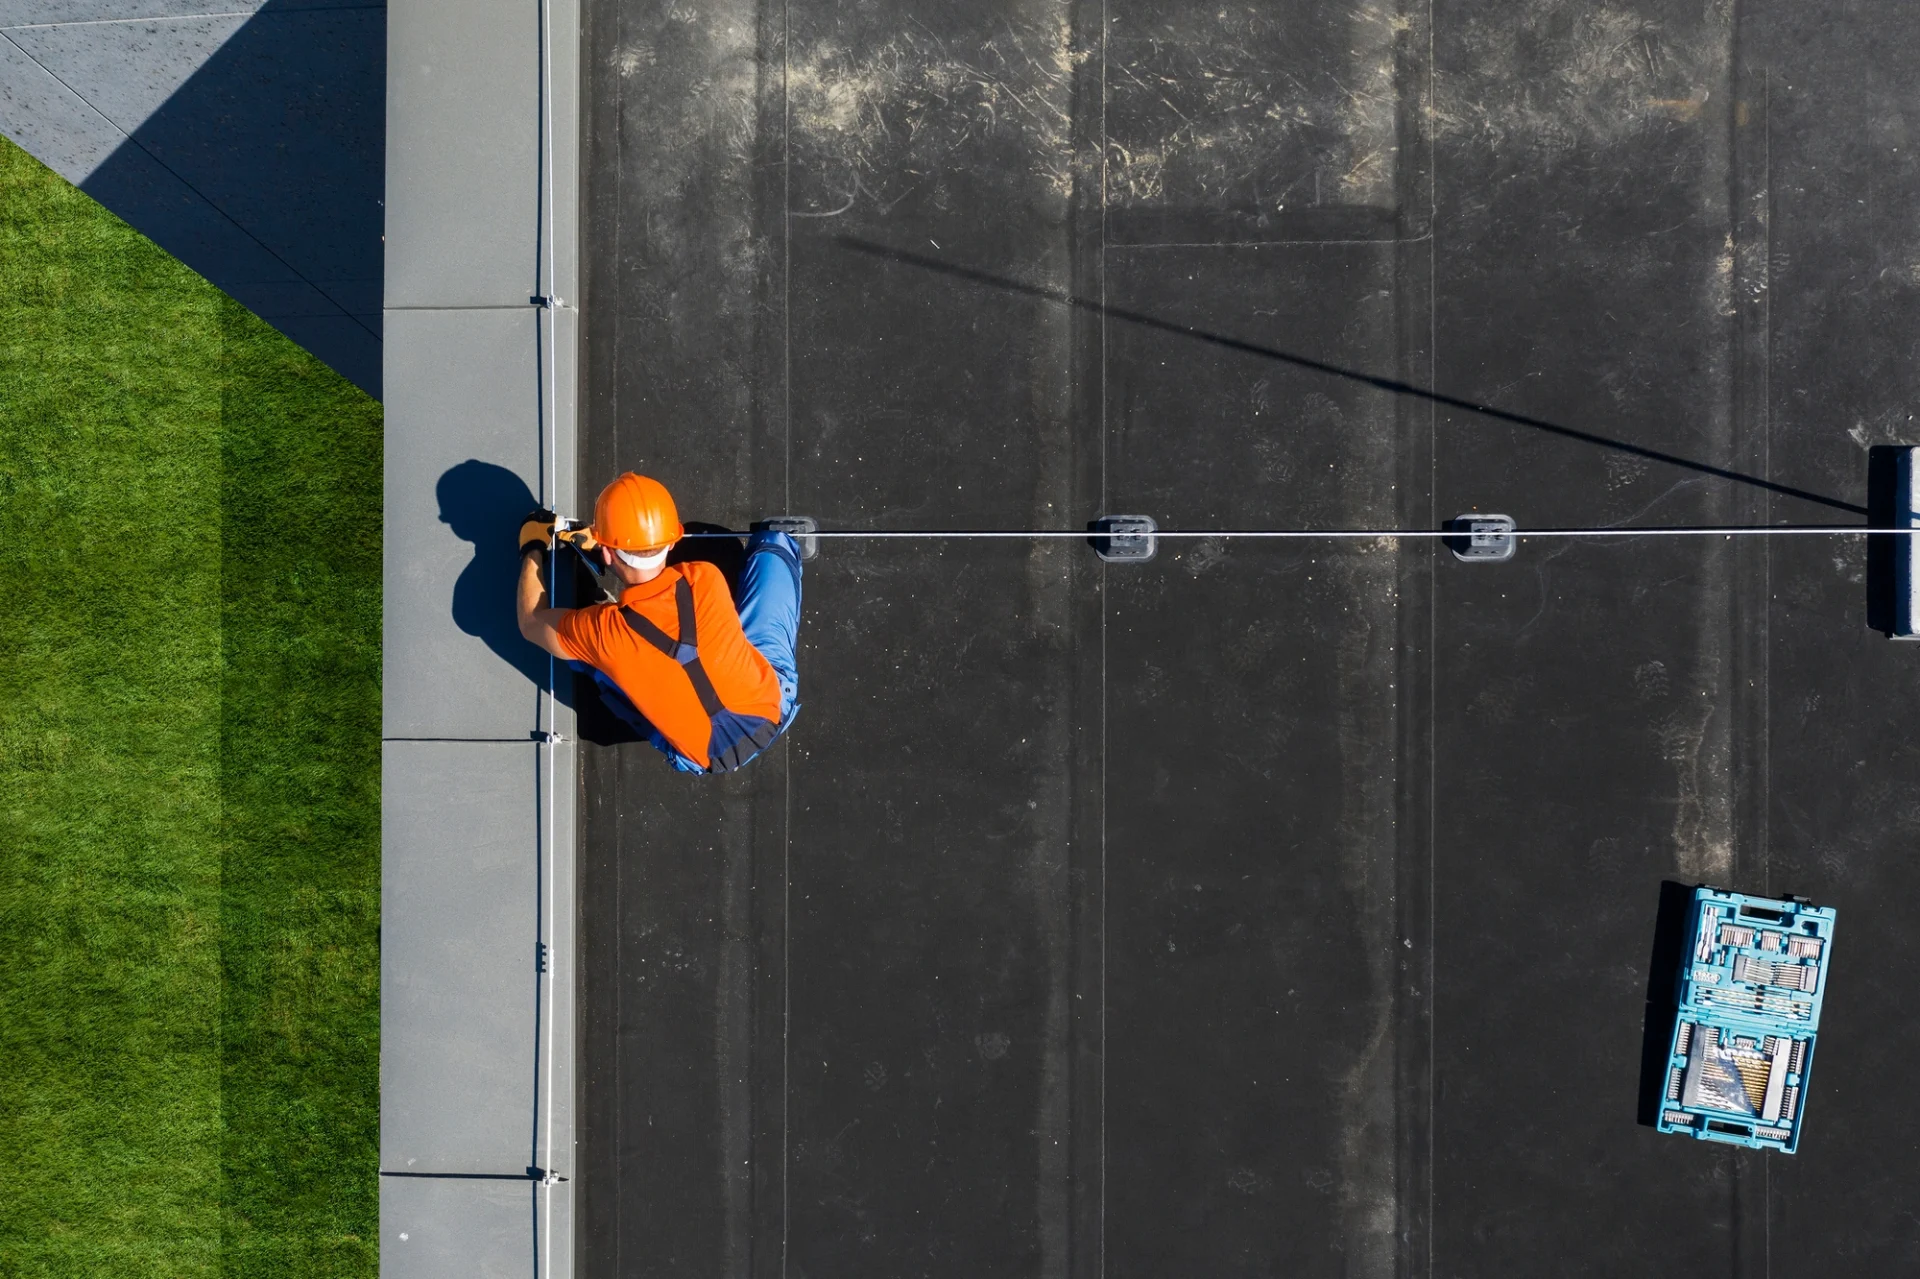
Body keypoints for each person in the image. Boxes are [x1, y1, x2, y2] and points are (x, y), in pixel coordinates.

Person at [514, 472, 803, 773]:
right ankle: (781, 543)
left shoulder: (599, 631)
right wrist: (607, 548)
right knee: (773, 546)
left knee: (590, 659)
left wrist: (532, 547)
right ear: (672, 539)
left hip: (705, 758)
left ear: (609, 555)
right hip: (772, 706)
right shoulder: (706, 576)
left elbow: (531, 621)